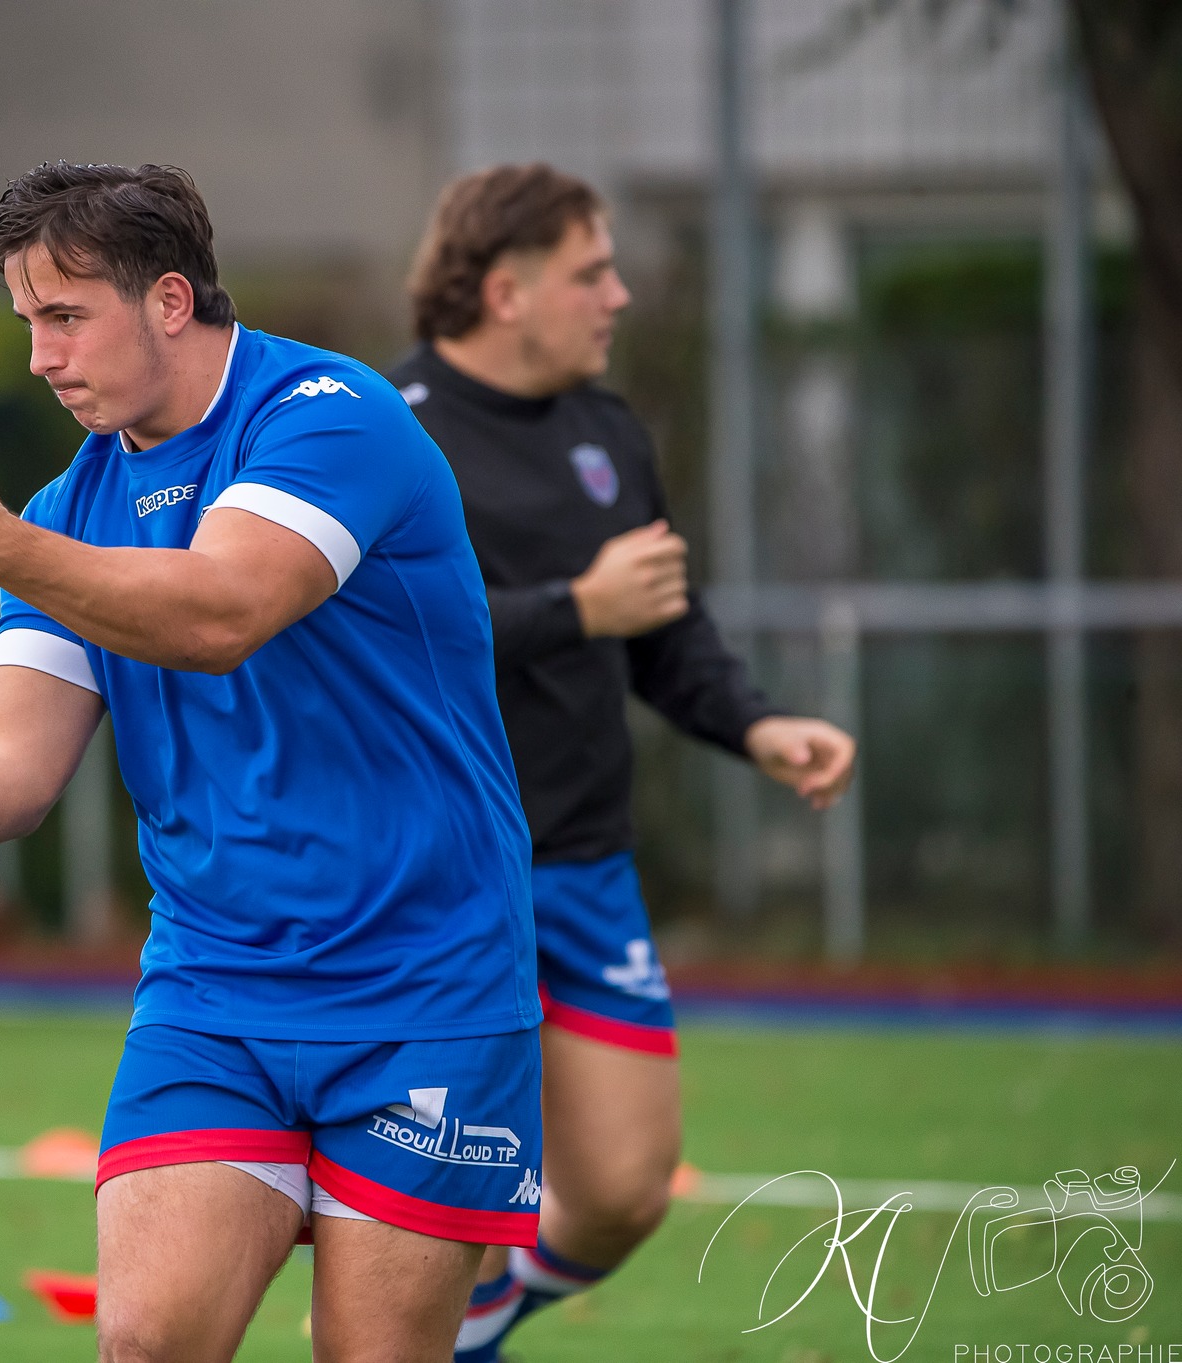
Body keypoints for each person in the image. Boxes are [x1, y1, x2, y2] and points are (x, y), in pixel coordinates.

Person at [0, 162, 547, 1362]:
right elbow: (3, 765)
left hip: (421, 981)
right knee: (146, 1340)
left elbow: (219, 610)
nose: (38, 357)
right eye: (26, 323)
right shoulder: (78, 506)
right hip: (216, 985)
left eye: (63, 317)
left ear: (168, 300)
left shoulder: (329, 416)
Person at [385, 164, 859, 1361]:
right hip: (437, 877)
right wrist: (569, 609)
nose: (620, 295)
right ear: (504, 290)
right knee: (463, 1210)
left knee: (624, 1187)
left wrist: (752, 723)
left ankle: (471, 1331)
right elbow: (375, 643)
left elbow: (659, 623)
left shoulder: (606, 432)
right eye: (591, 272)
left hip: (584, 862)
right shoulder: (394, 435)